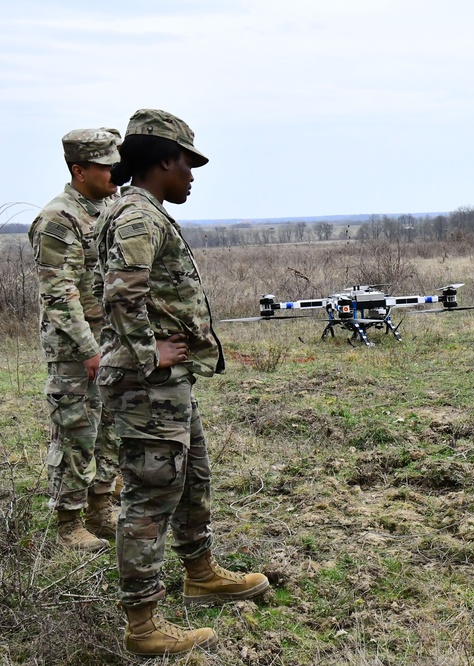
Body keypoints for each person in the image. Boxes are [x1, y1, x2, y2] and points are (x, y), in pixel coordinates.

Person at [95, 109, 269, 656]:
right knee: (150, 496)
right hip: (150, 385)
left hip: (168, 385)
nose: (192, 175)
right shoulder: (138, 216)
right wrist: (151, 355)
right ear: (162, 161)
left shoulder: (143, 210)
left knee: (190, 477)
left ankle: (201, 574)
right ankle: (143, 626)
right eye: (186, 164)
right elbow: (122, 294)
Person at [28, 128, 122, 551]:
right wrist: (88, 349)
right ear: (79, 170)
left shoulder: (109, 208)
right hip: (74, 347)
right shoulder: (57, 219)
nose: (114, 173)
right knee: (75, 431)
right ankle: (69, 523)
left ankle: (100, 507)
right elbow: (58, 292)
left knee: (108, 430)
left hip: (111, 338)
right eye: (105, 166)